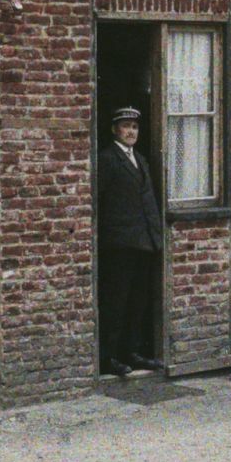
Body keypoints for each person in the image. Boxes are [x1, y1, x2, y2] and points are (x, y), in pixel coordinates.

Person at [96, 106, 164, 377]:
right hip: (120, 244)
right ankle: (109, 357)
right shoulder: (108, 159)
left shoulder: (141, 159)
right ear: (115, 130)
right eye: (125, 126)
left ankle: (132, 352)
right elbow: (99, 202)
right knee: (117, 301)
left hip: (144, 242)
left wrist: (155, 237)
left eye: (134, 127)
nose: (131, 132)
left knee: (138, 301)